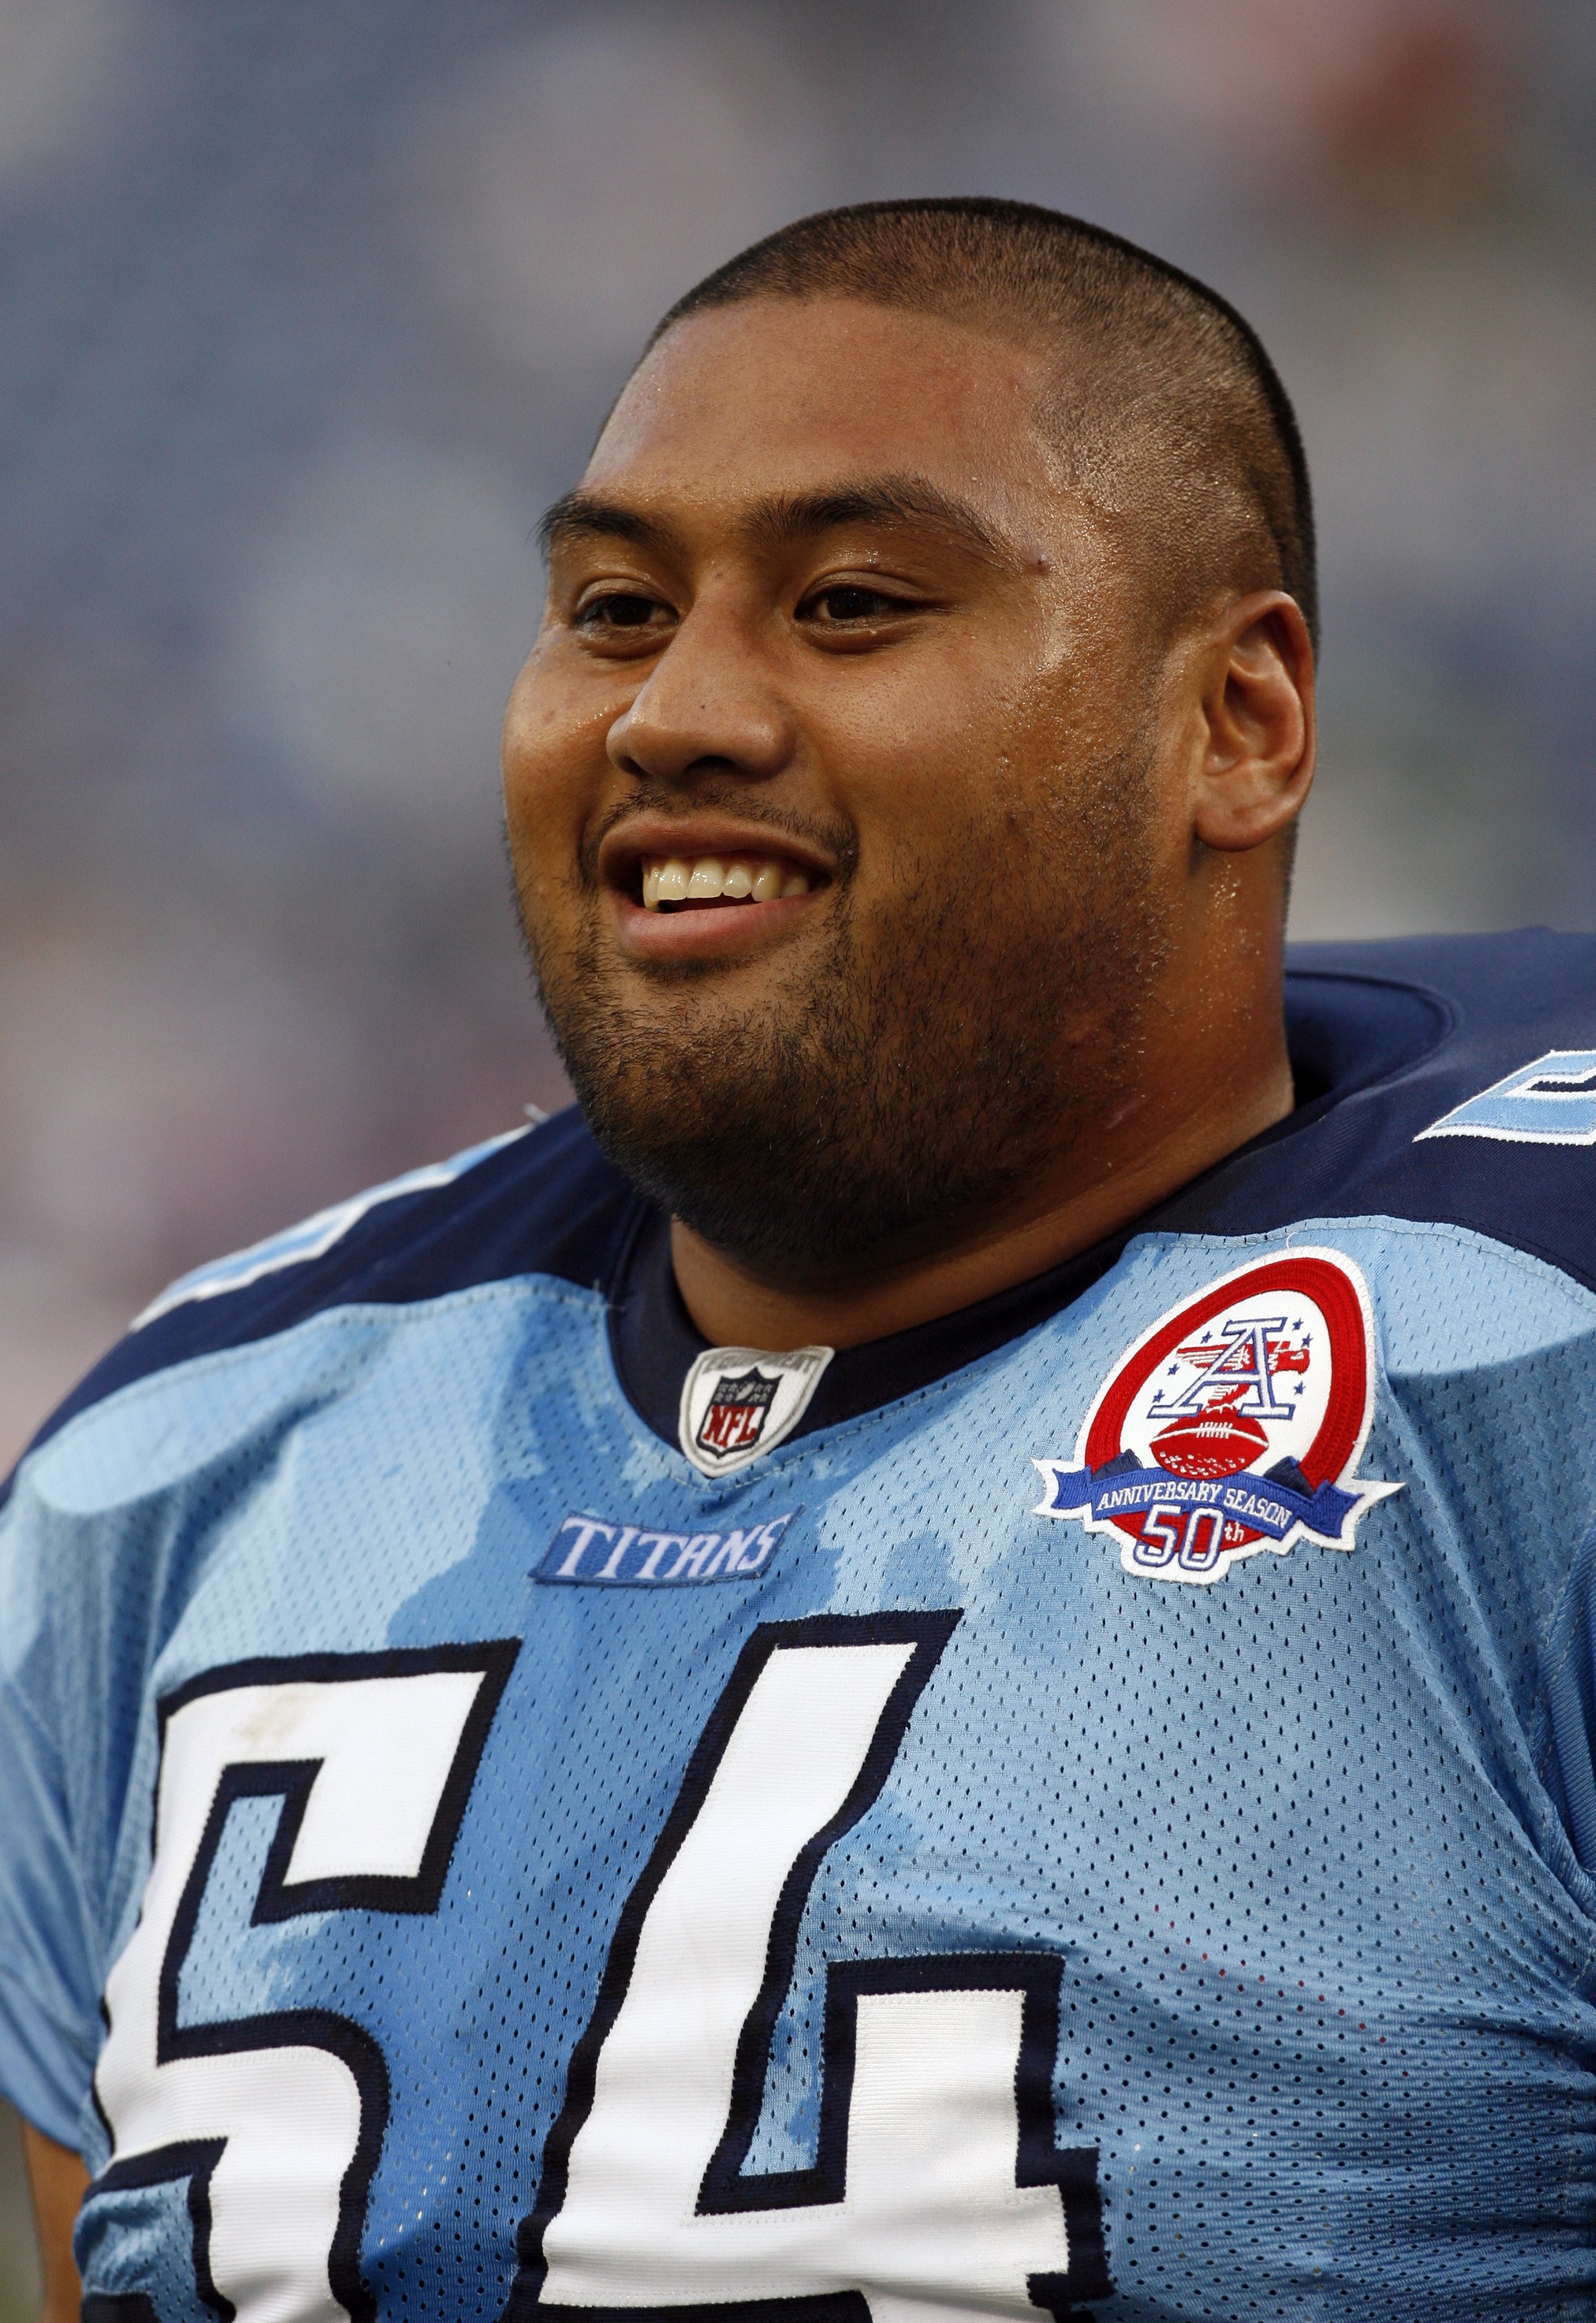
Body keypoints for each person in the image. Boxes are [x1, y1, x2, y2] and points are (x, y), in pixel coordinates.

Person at [4, 197, 1595, 2323]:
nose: (675, 710)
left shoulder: (1520, 1365)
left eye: (848, 604)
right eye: (611, 608)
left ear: (1238, 721)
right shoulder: (184, 1464)